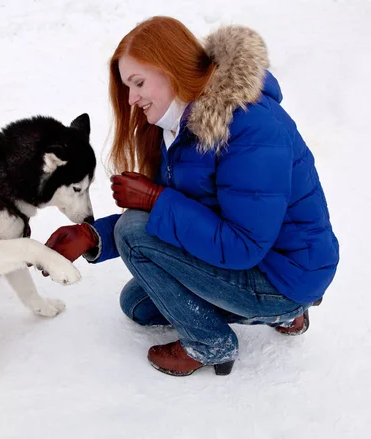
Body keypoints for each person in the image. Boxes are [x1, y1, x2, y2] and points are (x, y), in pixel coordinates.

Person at [44, 16, 339, 376]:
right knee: (137, 304)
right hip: (249, 262)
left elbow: (241, 244)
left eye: (138, 83)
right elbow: (184, 211)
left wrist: (153, 200)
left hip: (284, 273)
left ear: (171, 69)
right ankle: (278, 313)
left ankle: (212, 343)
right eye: (127, 87)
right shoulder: (176, 126)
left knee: (134, 232)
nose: (132, 99)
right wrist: (93, 237)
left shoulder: (251, 127)